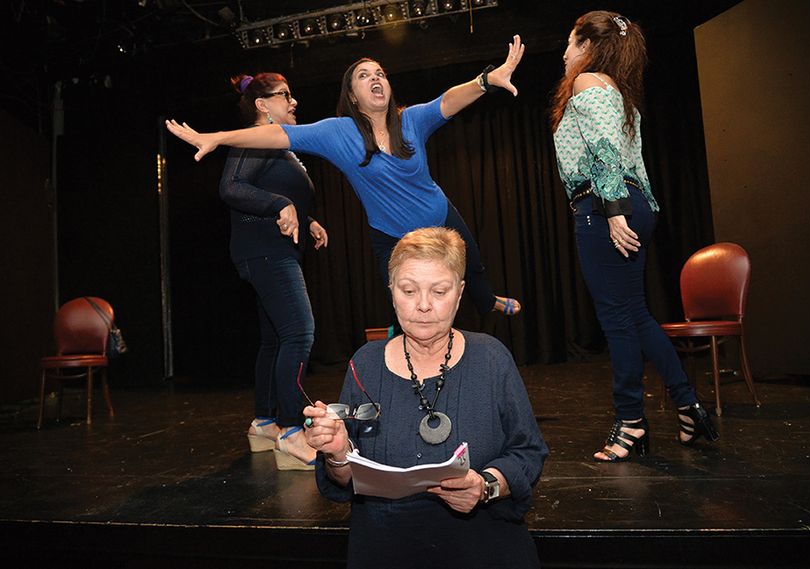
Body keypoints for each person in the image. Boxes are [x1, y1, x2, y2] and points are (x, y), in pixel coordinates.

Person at [166, 36, 527, 318]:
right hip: (389, 232)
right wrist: (217, 137)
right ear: (353, 96)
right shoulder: (337, 133)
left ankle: (487, 301)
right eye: (364, 75)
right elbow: (277, 135)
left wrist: (485, 80)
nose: (375, 79)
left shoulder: (411, 120)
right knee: (404, 302)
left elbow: (447, 100)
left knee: (472, 263)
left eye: (380, 73)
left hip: (437, 214)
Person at [302, 227, 547, 568]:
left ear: (460, 294)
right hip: (387, 552)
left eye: (440, 290)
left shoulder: (492, 358)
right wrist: (337, 453)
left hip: (485, 551)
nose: (423, 305)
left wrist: (487, 485)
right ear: (391, 292)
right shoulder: (365, 364)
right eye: (408, 290)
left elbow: (528, 451)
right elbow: (345, 480)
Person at [549, 11, 719, 461]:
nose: (565, 52)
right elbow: (632, 159)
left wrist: (612, 210)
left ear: (587, 46)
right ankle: (691, 409)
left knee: (618, 321)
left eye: (570, 42)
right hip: (628, 203)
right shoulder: (616, 91)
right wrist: (627, 207)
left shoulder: (590, 84)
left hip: (607, 207)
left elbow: (604, 149)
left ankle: (632, 425)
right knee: (635, 316)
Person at [221, 72, 328, 470]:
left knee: (275, 340)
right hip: (266, 252)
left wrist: (307, 218)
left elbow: (274, 191)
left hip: (270, 249)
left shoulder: (276, 145)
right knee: (299, 334)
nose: (293, 101)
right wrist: (280, 204)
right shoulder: (254, 138)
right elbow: (231, 187)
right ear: (262, 105)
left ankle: (264, 422)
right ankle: (290, 430)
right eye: (284, 96)